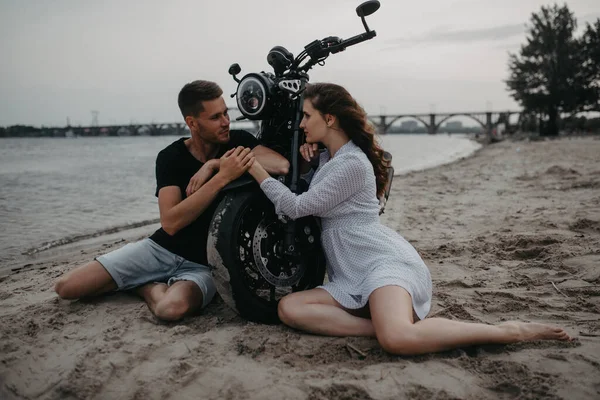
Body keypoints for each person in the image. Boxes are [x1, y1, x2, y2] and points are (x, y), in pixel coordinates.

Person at [246, 82, 570, 355]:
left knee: (397, 339)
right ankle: (379, 324)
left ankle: (509, 331)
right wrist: (311, 163)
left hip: (381, 263)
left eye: (306, 116)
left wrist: (255, 169)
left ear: (329, 119)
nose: (301, 124)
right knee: (289, 308)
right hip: (349, 274)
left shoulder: (352, 164)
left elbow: (297, 206)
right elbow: (320, 190)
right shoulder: (332, 158)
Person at [54, 80, 289, 321]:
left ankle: (144, 286)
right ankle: (141, 277)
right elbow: (171, 222)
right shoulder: (170, 157)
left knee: (170, 309)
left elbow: (281, 164)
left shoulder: (238, 142)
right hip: (161, 249)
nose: (226, 121)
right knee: (67, 287)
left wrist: (215, 165)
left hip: (205, 264)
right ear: (192, 123)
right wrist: (222, 178)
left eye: (225, 113)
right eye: (215, 117)